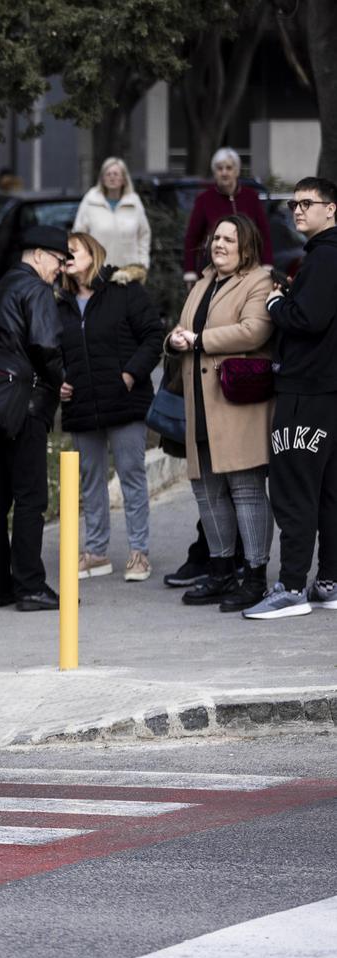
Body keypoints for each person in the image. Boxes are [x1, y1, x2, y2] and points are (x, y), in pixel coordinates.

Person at [163, 217, 275, 612]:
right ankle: (221, 570)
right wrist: (174, 339)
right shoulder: (203, 282)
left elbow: (254, 330)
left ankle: (255, 576)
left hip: (237, 403)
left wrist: (198, 341)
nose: (219, 244)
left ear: (246, 247)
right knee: (206, 490)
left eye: (229, 239)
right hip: (200, 403)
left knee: (245, 489)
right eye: (216, 238)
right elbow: (183, 327)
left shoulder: (258, 281)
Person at [57, 232, 165, 583]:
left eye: (74, 250)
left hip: (124, 400)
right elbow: (51, 351)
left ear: (93, 254)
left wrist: (130, 375)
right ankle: (97, 552)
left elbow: (153, 336)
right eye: (63, 252)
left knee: (131, 475)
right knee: (90, 480)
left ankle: (139, 552)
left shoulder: (124, 290)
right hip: (81, 404)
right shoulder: (58, 302)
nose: (67, 256)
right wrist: (59, 379)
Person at [253, 177, 337, 618]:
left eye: (307, 203)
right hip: (328, 390)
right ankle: (329, 582)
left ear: (332, 209)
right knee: (328, 492)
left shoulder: (324, 257)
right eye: (293, 204)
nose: (298, 210)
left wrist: (275, 305)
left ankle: (290, 588)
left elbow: (308, 318)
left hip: (306, 389)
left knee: (293, 491)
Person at [0, 226, 68, 611]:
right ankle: (29, 585)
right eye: (59, 261)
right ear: (40, 254)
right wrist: (61, 379)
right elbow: (45, 345)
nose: (60, 269)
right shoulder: (36, 290)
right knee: (31, 498)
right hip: (27, 405)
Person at [184, 148, 274, 280]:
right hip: (216, 269)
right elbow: (192, 238)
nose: (224, 172)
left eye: (229, 168)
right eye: (219, 169)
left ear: (237, 171)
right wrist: (190, 271)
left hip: (248, 268)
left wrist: (267, 264)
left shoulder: (251, 197)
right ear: (214, 173)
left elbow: (264, 234)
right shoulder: (204, 200)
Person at [72, 157, 152, 275]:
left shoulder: (134, 202)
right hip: (97, 272)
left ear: (124, 179)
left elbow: (144, 235)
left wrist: (143, 264)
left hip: (128, 273)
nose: (112, 177)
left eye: (116, 174)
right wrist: (83, 265)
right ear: (102, 179)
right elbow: (78, 236)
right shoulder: (90, 201)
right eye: (108, 174)